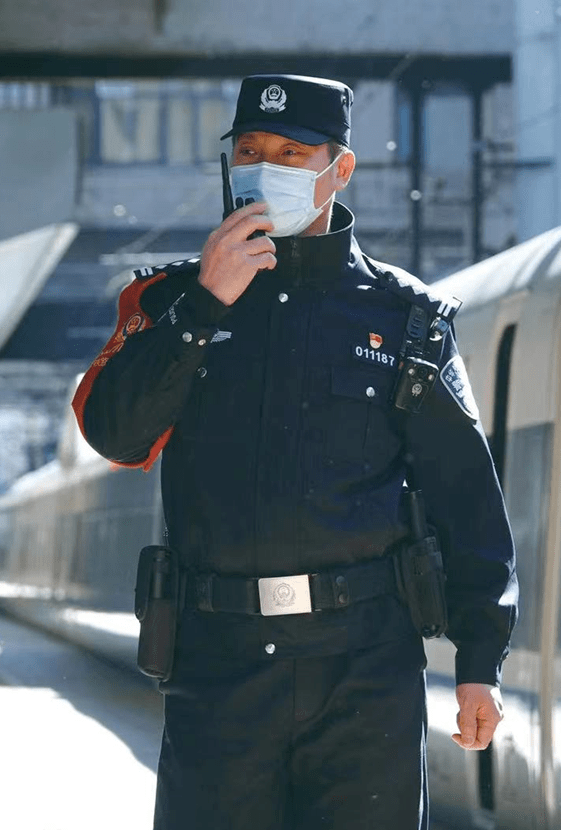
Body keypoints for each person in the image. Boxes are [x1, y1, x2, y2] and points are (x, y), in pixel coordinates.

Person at [72, 74, 518, 830]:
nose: (263, 166)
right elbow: (116, 433)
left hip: (366, 668)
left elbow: (468, 499)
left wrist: (480, 663)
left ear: (337, 170)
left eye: (289, 151)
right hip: (217, 665)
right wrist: (205, 305)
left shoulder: (406, 318)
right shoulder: (167, 301)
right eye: (249, 150)